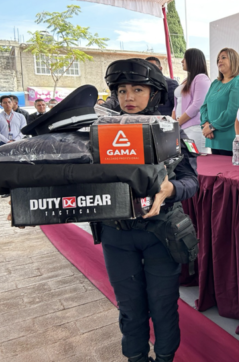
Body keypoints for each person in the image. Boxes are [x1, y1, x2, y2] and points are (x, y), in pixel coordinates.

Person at [93, 58, 199, 362]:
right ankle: (136, 358)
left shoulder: (173, 133)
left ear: (154, 94)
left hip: (162, 234)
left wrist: (171, 189)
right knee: (130, 307)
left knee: (164, 305)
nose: (129, 97)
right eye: (122, 90)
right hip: (116, 234)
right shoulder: (97, 134)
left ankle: (165, 358)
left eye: (138, 89)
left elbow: (193, 182)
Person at [199, 48, 239, 155]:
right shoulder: (215, 83)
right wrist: (206, 124)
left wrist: (211, 127)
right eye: (218, 59)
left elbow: (233, 112)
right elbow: (204, 107)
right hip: (213, 139)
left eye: (223, 57)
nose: (219, 61)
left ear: (234, 60)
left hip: (229, 142)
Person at [175, 48, 212, 154]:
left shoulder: (201, 78)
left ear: (192, 60)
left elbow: (197, 105)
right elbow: (177, 103)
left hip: (194, 128)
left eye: (184, 59)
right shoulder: (186, 80)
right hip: (183, 127)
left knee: (198, 162)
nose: (182, 61)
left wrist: (178, 122)